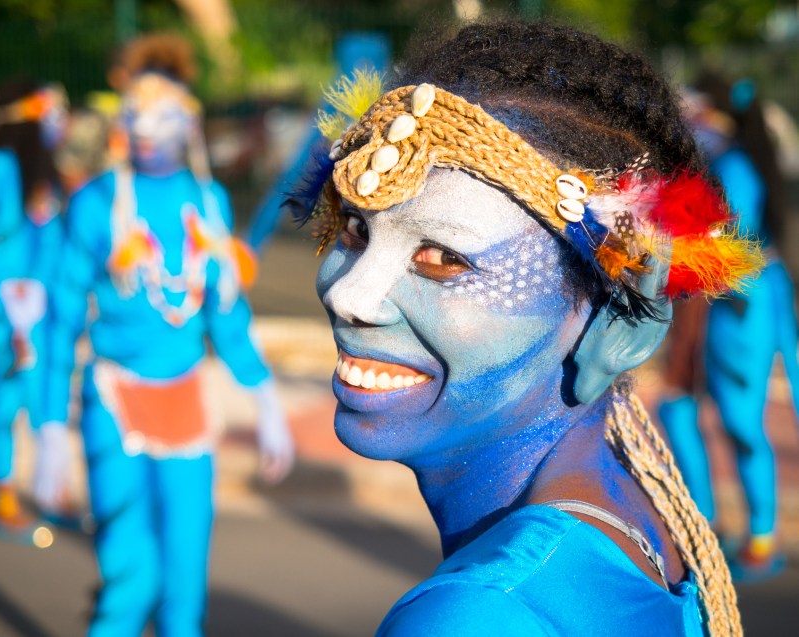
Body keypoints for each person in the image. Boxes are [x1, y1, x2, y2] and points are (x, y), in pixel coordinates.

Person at [297, 20, 763, 635]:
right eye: (357, 229)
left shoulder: (476, 616)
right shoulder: (633, 514)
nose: (349, 295)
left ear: (617, 326)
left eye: (441, 258)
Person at [42, 34, 294, 636]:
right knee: (132, 581)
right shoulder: (97, 203)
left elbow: (225, 315)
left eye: (164, 111)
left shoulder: (208, 202)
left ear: (189, 122)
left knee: (185, 588)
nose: (147, 127)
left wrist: (265, 399)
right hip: (113, 398)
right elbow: (61, 319)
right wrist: (49, 428)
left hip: (187, 402)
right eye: (137, 111)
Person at [662, 73, 798, 580]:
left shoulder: (734, 166)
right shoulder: (722, 163)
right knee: (683, 409)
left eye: (695, 109)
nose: (689, 120)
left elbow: (727, 242)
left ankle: (762, 536)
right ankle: (709, 526)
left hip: (740, 306)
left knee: (741, 421)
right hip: (717, 305)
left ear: (716, 114)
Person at [0, 77, 68, 535]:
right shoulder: (0, 164)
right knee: (10, 390)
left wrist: (38, 289)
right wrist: (13, 295)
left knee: (37, 389)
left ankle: (46, 487)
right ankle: (2, 495)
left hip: (33, 300)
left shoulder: (40, 171)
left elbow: (49, 234)